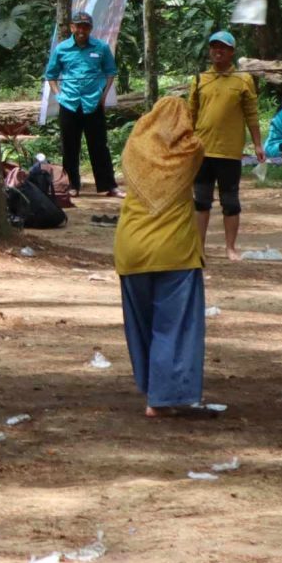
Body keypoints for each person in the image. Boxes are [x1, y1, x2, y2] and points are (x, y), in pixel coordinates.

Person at [114, 94, 215, 419]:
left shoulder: (134, 146)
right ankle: (161, 398)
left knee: (142, 327)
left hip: (131, 248)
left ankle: (153, 391)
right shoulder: (191, 151)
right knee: (173, 327)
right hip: (175, 252)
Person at [186, 30, 262, 263]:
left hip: (229, 152)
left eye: (223, 47)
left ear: (231, 52)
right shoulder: (200, 79)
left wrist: (258, 144)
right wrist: (185, 141)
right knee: (201, 201)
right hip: (202, 150)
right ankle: (199, 248)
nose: (218, 51)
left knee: (230, 202)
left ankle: (230, 248)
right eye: (214, 47)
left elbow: (251, 114)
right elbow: (190, 114)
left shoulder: (243, 80)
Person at [42, 9, 119, 195]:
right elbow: (51, 75)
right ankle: (72, 186)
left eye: (85, 27)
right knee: (70, 146)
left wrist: (103, 96)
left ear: (90, 28)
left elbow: (110, 72)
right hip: (69, 104)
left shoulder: (101, 47)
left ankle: (109, 186)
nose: (82, 30)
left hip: (93, 103)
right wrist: (59, 95)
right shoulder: (61, 49)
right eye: (78, 26)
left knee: (99, 145)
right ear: (72, 27)